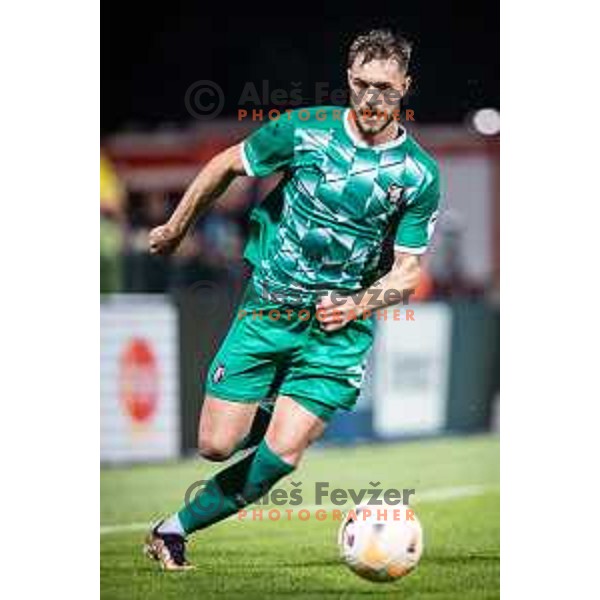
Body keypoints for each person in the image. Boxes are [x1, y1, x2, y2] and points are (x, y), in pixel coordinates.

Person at [144, 29, 440, 570]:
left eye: (386, 89)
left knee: (281, 455)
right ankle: (272, 408)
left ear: (406, 87)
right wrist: (176, 227)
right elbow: (225, 165)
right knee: (215, 446)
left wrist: (359, 305)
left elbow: (408, 271)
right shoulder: (304, 130)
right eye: (362, 86)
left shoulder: (418, 174)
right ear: (349, 81)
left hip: (338, 331)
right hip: (268, 311)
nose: (373, 100)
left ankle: (173, 529)